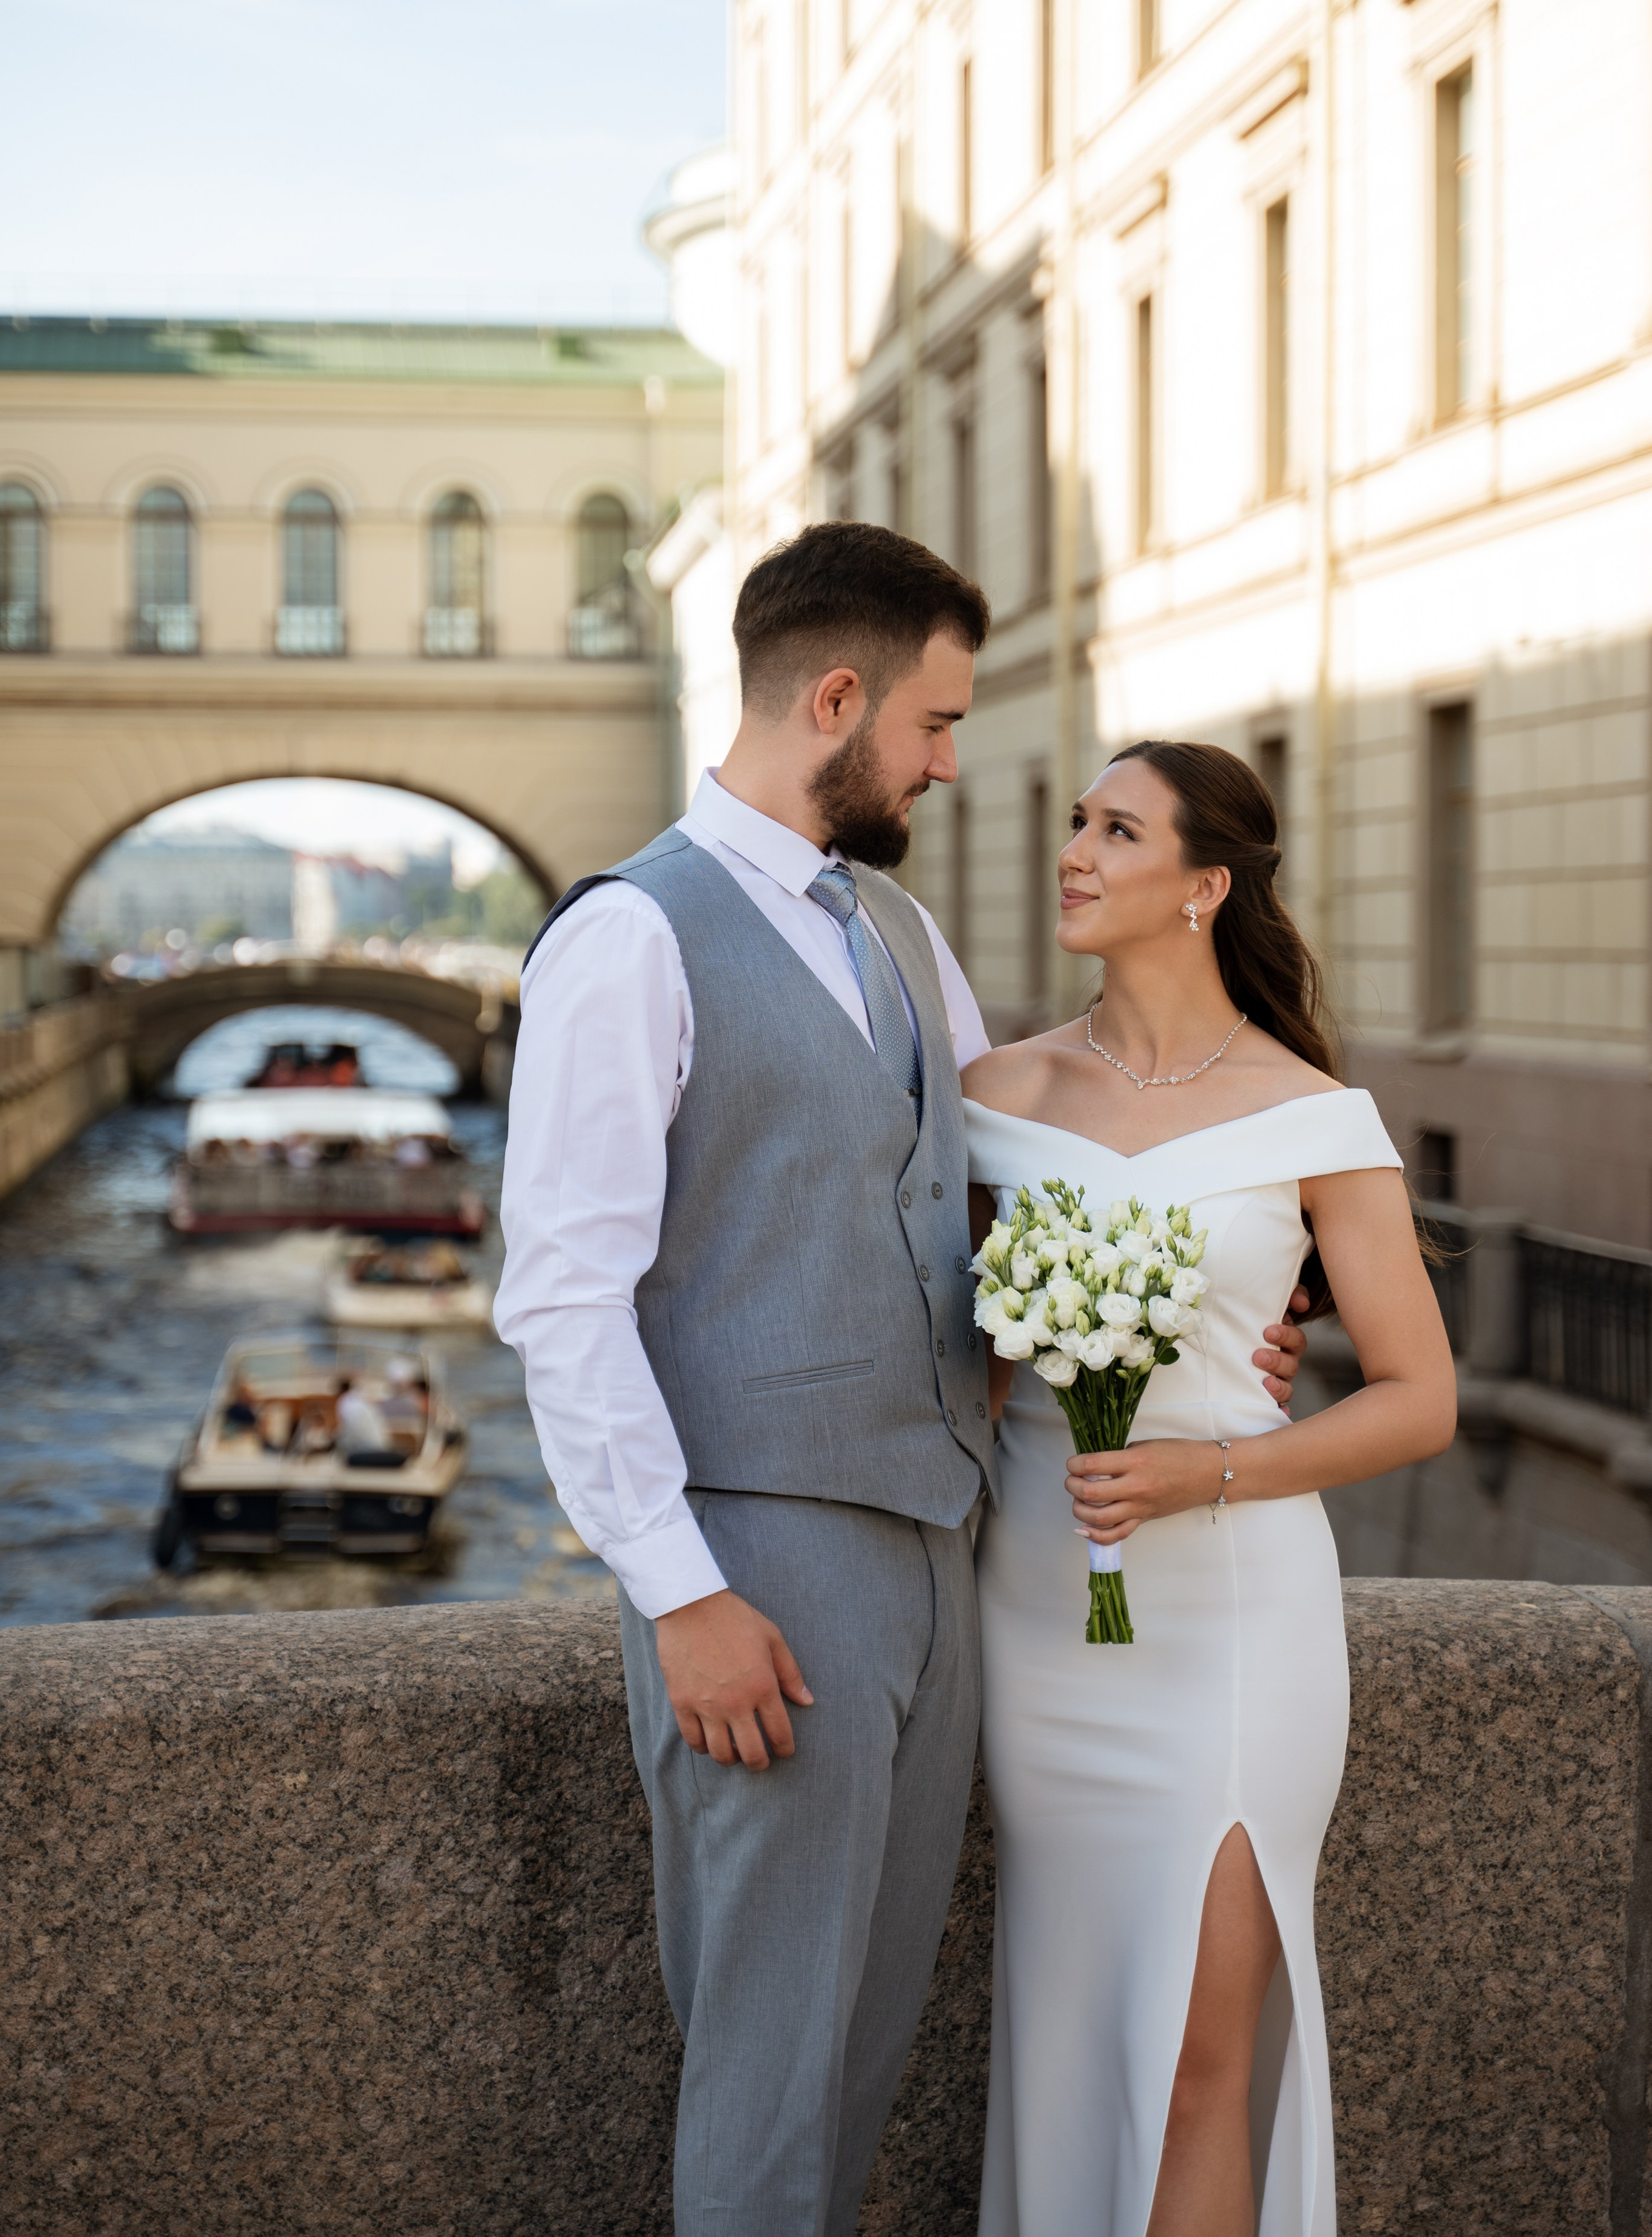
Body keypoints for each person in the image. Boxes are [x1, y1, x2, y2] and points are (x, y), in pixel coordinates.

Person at [495, 528, 1310, 2237]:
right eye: (936, 724)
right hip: (766, 1572)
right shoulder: (629, 941)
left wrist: (1202, 1314)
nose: (951, 763)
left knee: (858, 2051)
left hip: (943, 1555)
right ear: (838, 698)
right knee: (770, 2067)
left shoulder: (899, 929)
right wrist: (681, 1594)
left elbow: (1002, 1185)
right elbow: (562, 1305)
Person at [962, 740, 1456, 2237]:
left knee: (1196, 2056)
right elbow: (953, 1366)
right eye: (1073, 825)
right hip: (1037, 1617)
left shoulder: (1313, 1117)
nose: (1075, 853)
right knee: (1067, 2034)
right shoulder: (991, 1092)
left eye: (1116, 831)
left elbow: (1418, 1398)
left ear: (1202, 887)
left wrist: (1206, 1470)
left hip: (1235, 1628)